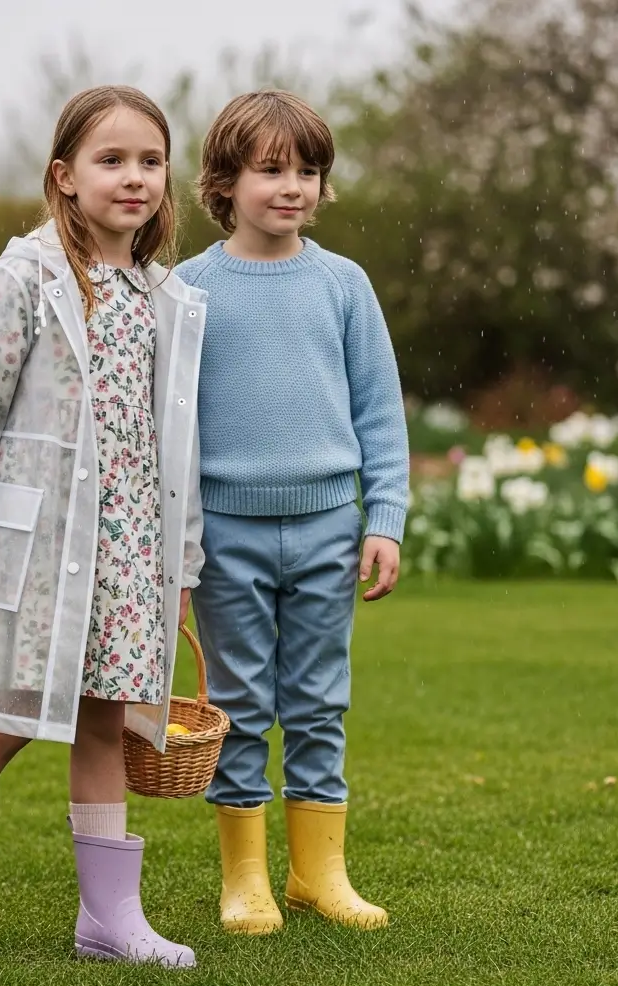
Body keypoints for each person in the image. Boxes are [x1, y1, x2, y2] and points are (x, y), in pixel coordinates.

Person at [0, 85, 207, 979]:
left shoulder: (162, 296)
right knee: (8, 718)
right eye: (111, 160)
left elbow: (175, 447)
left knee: (105, 723)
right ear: (65, 176)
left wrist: (179, 566)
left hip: (129, 555)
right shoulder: (24, 278)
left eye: (150, 160)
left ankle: (109, 917)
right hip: (43, 552)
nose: (134, 177)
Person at [176, 90, 409, 935]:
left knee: (318, 700)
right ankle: (245, 879)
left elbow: (379, 412)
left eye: (308, 171)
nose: (292, 187)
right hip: (224, 535)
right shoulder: (188, 289)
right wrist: (177, 543)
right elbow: (172, 429)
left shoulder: (343, 285)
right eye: (271, 170)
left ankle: (319, 873)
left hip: (328, 529)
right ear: (224, 182)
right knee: (238, 703)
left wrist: (384, 518)